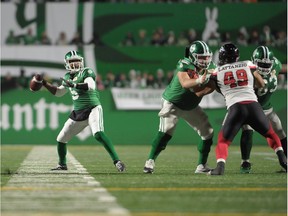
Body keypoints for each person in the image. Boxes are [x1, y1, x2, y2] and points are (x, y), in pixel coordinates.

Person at [37, 50, 126, 172]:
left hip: (92, 108)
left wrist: (74, 85)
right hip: (78, 113)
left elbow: (90, 86)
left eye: (77, 61)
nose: (75, 64)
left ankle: (117, 161)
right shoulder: (68, 77)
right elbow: (58, 92)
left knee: (98, 134)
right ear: (67, 64)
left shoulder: (86, 71)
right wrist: (44, 83)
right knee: (61, 139)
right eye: (72, 62)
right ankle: (62, 164)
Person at [208, 43, 287, 175]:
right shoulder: (248, 64)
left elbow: (211, 88)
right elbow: (261, 83)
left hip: (236, 107)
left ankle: (220, 167)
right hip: (253, 105)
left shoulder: (216, 72)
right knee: (272, 134)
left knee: (223, 140)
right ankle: (283, 160)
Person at [143, 40, 216, 174]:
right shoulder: (185, 64)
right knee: (166, 131)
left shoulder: (211, 66)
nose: (205, 61)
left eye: (207, 57)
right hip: (173, 103)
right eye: (201, 57)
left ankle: (201, 166)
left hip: (191, 105)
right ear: (193, 56)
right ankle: (150, 161)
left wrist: (207, 85)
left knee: (208, 132)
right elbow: (185, 83)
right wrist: (201, 80)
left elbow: (205, 90)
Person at [240, 46, 287, 173]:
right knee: (248, 130)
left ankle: (286, 162)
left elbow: (282, 68)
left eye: (267, 64)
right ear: (254, 61)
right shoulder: (247, 69)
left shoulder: (275, 65)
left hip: (266, 107)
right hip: (250, 108)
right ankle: (245, 162)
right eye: (261, 64)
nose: (265, 67)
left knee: (279, 131)